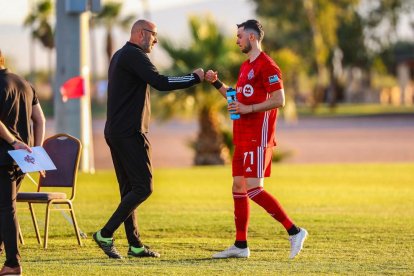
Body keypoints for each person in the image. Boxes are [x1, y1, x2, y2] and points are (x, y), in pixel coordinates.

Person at [93, 19, 204, 259]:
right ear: (141, 34)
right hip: (130, 133)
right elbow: (161, 82)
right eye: (154, 35)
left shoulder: (120, 55)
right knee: (144, 187)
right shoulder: (134, 55)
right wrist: (194, 78)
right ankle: (105, 233)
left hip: (116, 131)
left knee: (129, 190)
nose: (156, 40)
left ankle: (134, 245)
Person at [205, 19, 308, 259]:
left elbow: (279, 99)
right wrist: (216, 83)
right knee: (238, 187)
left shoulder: (268, 66)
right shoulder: (245, 67)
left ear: (252, 37)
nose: (237, 39)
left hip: (257, 136)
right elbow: (235, 98)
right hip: (242, 136)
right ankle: (240, 246)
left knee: (253, 188)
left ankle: (295, 231)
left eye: (240, 35)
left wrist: (249, 110)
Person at [0, 49, 46, 275]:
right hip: (21, 160)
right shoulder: (25, 83)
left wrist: (13, 141)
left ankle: (12, 263)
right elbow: (40, 119)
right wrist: (36, 152)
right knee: (4, 207)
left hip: (4, 157)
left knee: (6, 209)